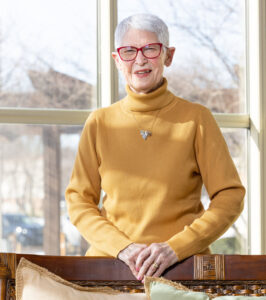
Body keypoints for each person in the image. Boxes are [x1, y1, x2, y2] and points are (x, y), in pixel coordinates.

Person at [65, 13, 245, 281]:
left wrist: (176, 248)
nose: (139, 60)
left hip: (183, 270)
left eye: (150, 49)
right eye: (129, 51)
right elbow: (78, 200)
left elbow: (230, 196)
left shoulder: (197, 119)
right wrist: (122, 247)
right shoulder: (99, 123)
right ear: (117, 60)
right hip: (109, 268)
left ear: (168, 56)